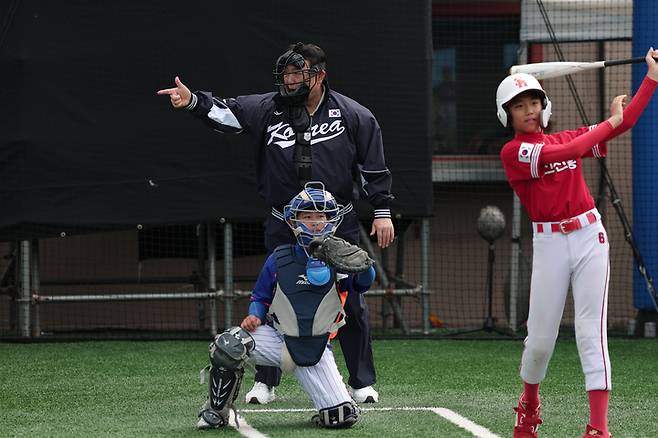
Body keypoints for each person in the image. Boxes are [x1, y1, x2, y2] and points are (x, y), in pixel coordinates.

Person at [157, 42, 393, 404]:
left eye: (298, 73)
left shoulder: (353, 114)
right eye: (286, 74)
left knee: (351, 299)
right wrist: (193, 101)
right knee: (276, 299)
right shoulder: (268, 108)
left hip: (337, 224)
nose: (290, 80)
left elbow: (373, 164)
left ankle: (361, 381)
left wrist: (381, 211)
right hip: (284, 224)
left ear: (320, 76)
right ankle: (265, 382)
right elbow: (227, 113)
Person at [496, 48, 658, 438]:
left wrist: (651, 78)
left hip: (589, 237)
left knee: (591, 331)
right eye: (520, 106)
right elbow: (564, 152)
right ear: (508, 116)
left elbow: (625, 123)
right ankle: (529, 404)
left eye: (535, 101)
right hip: (549, 244)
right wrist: (607, 123)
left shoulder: (568, 134)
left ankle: (598, 429)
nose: (530, 110)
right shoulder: (514, 152)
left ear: (544, 106)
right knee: (540, 339)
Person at [195, 183, 376, 429]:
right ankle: (215, 411)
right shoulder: (278, 258)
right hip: (277, 339)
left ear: (331, 220)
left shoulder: (340, 259)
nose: (314, 222)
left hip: (316, 346)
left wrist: (365, 265)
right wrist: (254, 317)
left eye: (320, 216)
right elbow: (260, 298)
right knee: (229, 345)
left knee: (340, 417)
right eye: (307, 216)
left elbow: (362, 286)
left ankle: (335, 395)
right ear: (293, 221)